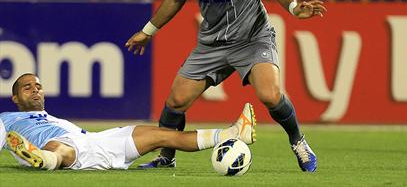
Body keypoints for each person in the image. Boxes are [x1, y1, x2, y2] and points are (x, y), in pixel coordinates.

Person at [125, 0, 326, 172]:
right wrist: (147, 32)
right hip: (212, 44)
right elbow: (174, 0)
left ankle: (298, 141)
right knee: (175, 102)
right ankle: (166, 157)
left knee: (270, 95)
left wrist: (293, 7)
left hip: (253, 38)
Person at [0, 73, 256, 171]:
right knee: (61, 147)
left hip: (98, 140)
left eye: (38, 86)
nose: (35, 90)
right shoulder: (7, 119)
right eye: (26, 88)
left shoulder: (51, 117)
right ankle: (45, 160)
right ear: (14, 97)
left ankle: (234, 133)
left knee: (164, 135)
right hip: (66, 148)